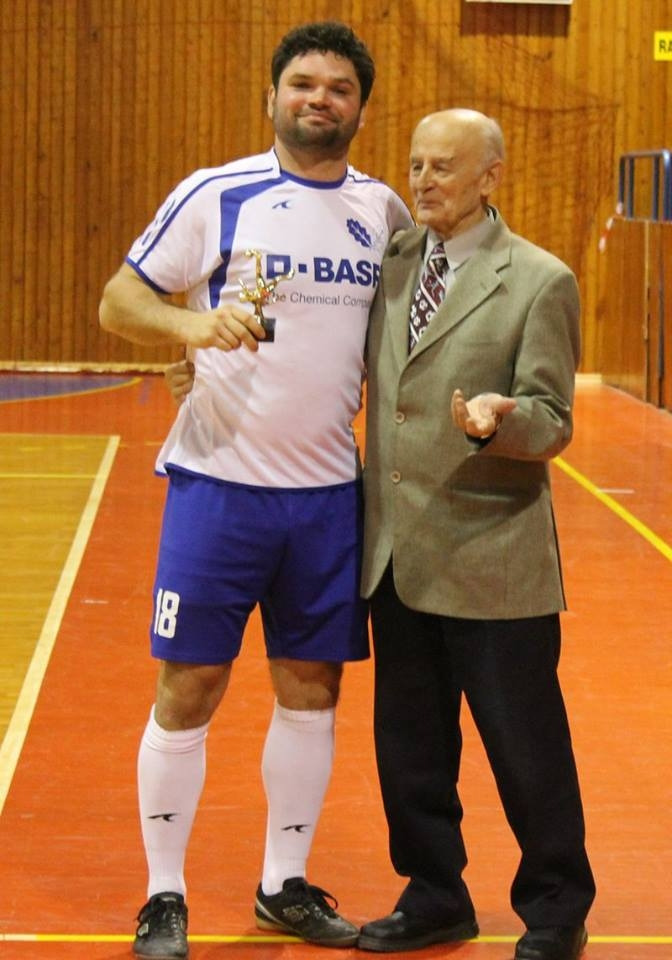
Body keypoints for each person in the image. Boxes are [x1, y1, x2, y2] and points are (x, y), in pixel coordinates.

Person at [98, 21, 412, 959]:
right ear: (272, 96)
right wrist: (189, 332)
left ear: (361, 109)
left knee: (312, 688)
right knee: (190, 684)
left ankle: (284, 884)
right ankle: (163, 895)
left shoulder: (383, 211)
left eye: (339, 89)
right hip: (219, 488)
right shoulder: (217, 192)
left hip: (327, 498)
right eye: (303, 83)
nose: (320, 99)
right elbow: (120, 300)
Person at [357, 108, 595, 960]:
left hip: (493, 555)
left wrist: (502, 420)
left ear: (491, 176)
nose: (423, 181)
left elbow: (553, 417)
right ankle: (434, 896)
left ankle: (557, 909)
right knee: (411, 748)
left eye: (444, 167)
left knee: (526, 750)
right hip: (397, 553)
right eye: (416, 165)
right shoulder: (392, 265)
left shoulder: (539, 279)